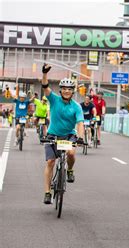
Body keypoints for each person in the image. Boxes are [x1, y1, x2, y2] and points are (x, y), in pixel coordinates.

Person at [41, 64, 85, 204]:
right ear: (61, 91)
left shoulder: (76, 106)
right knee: (50, 162)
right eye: (64, 89)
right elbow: (45, 87)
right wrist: (44, 74)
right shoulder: (54, 100)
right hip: (53, 135)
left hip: (68, 135)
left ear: (73, 92)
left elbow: (80, 123)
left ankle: (70, 170)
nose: (67, 91)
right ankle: (47, 192)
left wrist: (80, 137)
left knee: (71, 153)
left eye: (69, 89)